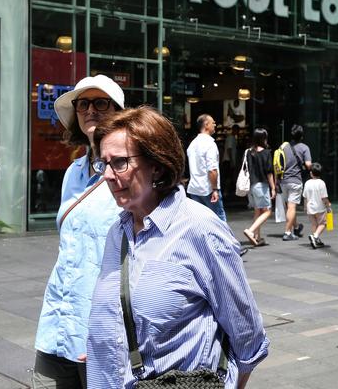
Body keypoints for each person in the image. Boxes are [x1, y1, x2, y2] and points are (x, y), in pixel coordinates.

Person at [87, 106, 269, 388]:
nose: (108, 175)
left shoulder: (199, 228)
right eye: (103, 163)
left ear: (156, 165)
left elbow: (248, 337)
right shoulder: (117, 232)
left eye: (119, 163)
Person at [33, 74, 125, 388]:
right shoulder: (73, 173)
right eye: (83, 104)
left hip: (102, 327)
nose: (90, 110)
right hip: (58, 318)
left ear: (118, 112)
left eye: (101, 102)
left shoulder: (130, 172)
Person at [186, 114, 227, 222]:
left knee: (200, 221)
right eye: (213, 122)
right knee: (219, 220)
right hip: (207, 189)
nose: (215, 125)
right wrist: (215, 189)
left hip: (194, 189)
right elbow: (212, 169)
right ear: (206, 125)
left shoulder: (192, 144)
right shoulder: (210, 144)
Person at [242, 128, 276, 247]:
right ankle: (251, 231)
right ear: (263, 138)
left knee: (258, 210)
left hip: (252, 186)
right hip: (262, 185)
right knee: (267, 211)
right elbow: (269, 172)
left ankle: (257, 237)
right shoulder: (266, 153)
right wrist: (273, 188)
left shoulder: (249, 152)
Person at [279, 124, 312, 241]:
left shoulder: (284, 147)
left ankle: (296, 227)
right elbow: (308, 164)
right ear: (301, 136)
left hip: (283, 180)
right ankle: (287, 232)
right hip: (295, 180)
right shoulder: (304, 148)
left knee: (289, 207)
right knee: (292, 207)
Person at [302, 162, 331, 249]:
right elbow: (324, 197)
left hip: (310, 208)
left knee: (314, 224)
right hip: (319, 208)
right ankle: (315, 236)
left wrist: (305, 207)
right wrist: (328, 205)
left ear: (311, 173)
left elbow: (305, 197)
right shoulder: (321, 183)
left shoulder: (307, 183)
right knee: (323, 223)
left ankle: (316, 240)